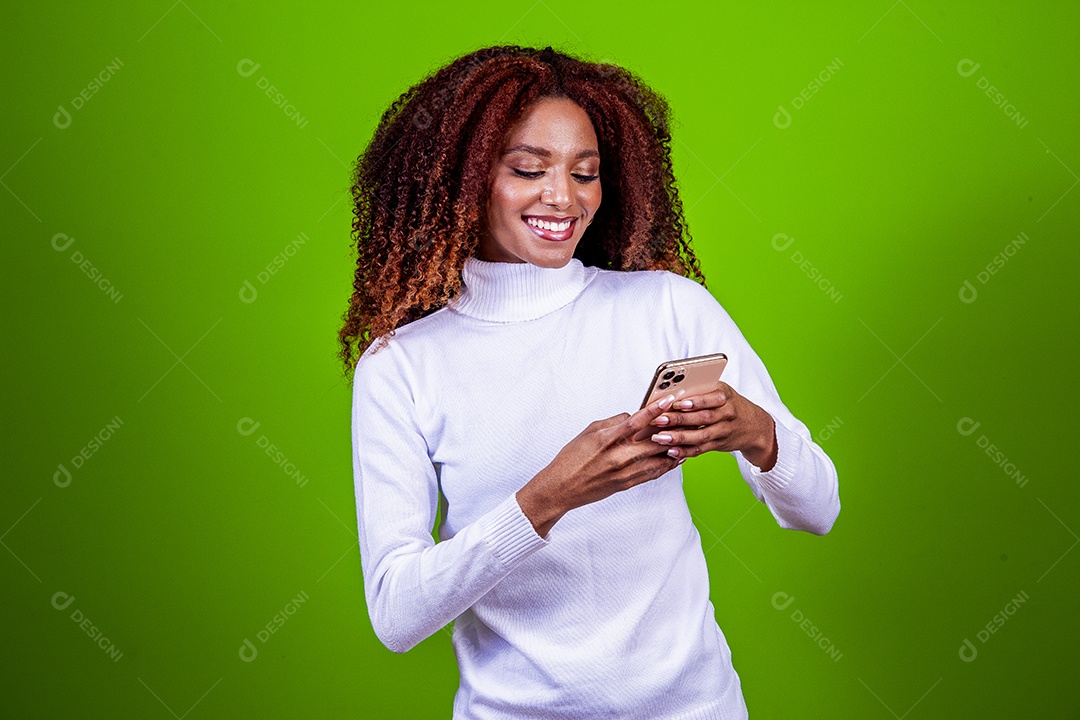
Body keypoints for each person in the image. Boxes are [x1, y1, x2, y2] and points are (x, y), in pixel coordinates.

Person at [340, 44, 840, 719]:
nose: (563, 198)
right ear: (463, 177)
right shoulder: (401, 366)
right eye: (528, 169)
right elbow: (397, 614)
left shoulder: (667, 306)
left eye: (586, 173)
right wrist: (547, 499)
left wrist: (757, 432)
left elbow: (818, 509)